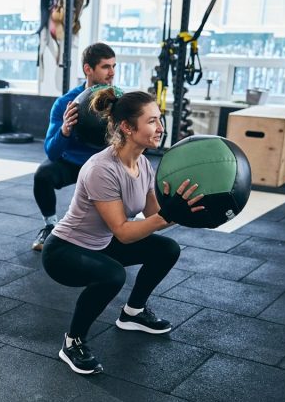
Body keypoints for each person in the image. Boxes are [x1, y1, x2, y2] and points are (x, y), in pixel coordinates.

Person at [41, 89, 205, 375]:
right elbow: (125, 233)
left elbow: (155, 216)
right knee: (113, 275)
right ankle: (73, 341)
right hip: (65, 250)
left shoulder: (143, 163)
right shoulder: (100, 170)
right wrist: (169, 214)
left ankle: (134, 313)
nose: (160, 127)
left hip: (101, 243)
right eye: (152, 121)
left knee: (167, 249)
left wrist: (184, 209)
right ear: (128, 128)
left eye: (159, 119)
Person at [31, 42, 117, 251]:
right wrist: (65, 131)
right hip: (73, 163)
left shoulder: (119, 101)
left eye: (114, 66)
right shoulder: (65, 103)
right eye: (106, 67)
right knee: (42, 175)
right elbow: (52, 151)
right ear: (88, 69)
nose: (112, 72)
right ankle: (50, 225)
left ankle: (115, 229)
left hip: (103, 165)